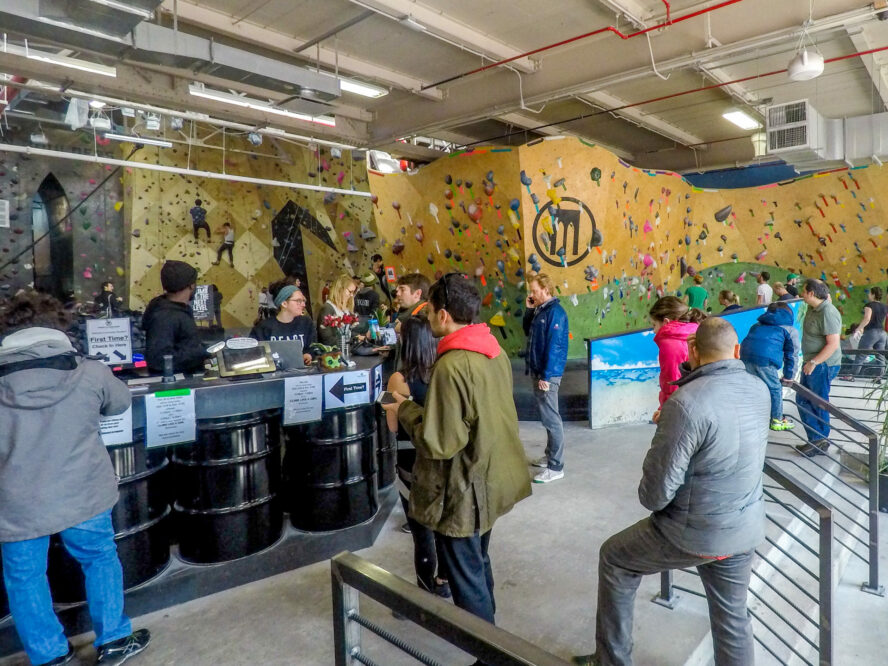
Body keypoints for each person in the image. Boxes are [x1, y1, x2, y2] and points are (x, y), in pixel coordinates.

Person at [573, 318, 769, 666]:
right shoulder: (759, 388)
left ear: (692, 350)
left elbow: (654, 495)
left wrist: (664, 430)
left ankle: (611, 661)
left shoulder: (685, 403)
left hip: (693, 533)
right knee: (733, 618)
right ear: (737, 351)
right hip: (743, 528)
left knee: (615, 558)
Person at [0, 291, 151, 666]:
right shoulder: (88, 371)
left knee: (24, 578)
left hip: (15, 502)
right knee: (99, 559)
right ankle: (114, 640)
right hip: (83, 492)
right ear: (57, 328)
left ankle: (49, 656)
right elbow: (119, 401)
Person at [382, 273, 532, 633]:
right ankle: (494, 639)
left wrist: (402, 408)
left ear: (444, 315)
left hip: (464, 490)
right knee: (478, 564)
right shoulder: (491, 348)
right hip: (490, 477)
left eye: (431, 311)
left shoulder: (451, 365)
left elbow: (440, 442)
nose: (429, 317)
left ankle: (487, 651)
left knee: (466, 581)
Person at [384, 316, 450, 599]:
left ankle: (425, 590)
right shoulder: (444, 372)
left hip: (411, 461)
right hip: (441, 458)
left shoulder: (397, 379)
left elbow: (392, 425)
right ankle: (445, 580)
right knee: (445, 526)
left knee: (421, 531)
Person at [522, 273, 569, 484]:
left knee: (551, 420)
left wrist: (547, 376)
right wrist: (529, 310)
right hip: (540, 371)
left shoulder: (556, 313)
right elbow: (527, 332)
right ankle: (550, 455)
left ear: (546, 290)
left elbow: (555, 346)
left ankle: (556, 466)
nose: (531, 294)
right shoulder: (541, 311)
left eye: (534, 291)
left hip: (547, 374)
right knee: (547, 417)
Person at [795, 279, 842, 458]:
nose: (801, 294)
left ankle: (819, 440)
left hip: (821, 365)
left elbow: (833, 344)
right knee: (803, 399)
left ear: (812, 293)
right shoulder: (816, 308)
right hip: (813, 363)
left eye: (804, 291)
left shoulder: (828, 312)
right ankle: (817, 439)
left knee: (817, 401)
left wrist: (814, 362)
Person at [740, 302, 800, 430]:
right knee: (775, 389)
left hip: (745, 357)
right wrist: (789, 375)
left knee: (751, 387)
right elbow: (792, 355)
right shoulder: (789, 330)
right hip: (765, 361)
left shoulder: (757, 325)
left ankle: (747, 417)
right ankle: (777, 419)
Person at [142, 260, 209, 374]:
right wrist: (201, 352)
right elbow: (159, 359)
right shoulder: (165, 317)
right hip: (177, 386)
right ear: (191, 285)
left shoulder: (173, 311)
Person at [649, 296, 705, 422]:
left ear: (666, 322)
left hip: (680, 410)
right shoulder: (696, 329)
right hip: (698, 404)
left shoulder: (670, 344)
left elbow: (672, 383)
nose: (654, 330)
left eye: (654, 325)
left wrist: (665, 412)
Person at [250, 281, 314, 365]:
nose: (303, 304)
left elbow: (313, 347)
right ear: (284, 303)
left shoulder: (306, 323)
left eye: (303, 301)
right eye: (298, 301)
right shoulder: (263, 327)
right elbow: (254, 354)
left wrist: (309, 355)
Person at [843, 286, 888, 381]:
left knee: (861, 354)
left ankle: (851, 375)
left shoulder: (869, 305)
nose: (868, 295)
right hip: (882, 333)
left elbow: (867, 318)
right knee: (880, 355)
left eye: (869, 293)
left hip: (871, 332)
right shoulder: (885, 307)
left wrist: (858, 329)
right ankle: (879, 377)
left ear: (873, 294)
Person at [316, 274, 357, 347]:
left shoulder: (346, 309)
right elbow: (327, 340)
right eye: (350, 291)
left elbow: (350, 331)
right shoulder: (327, 308)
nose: (351, 295)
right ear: (340, 289)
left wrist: (358, 337)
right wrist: (352, 341)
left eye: (353, 292)